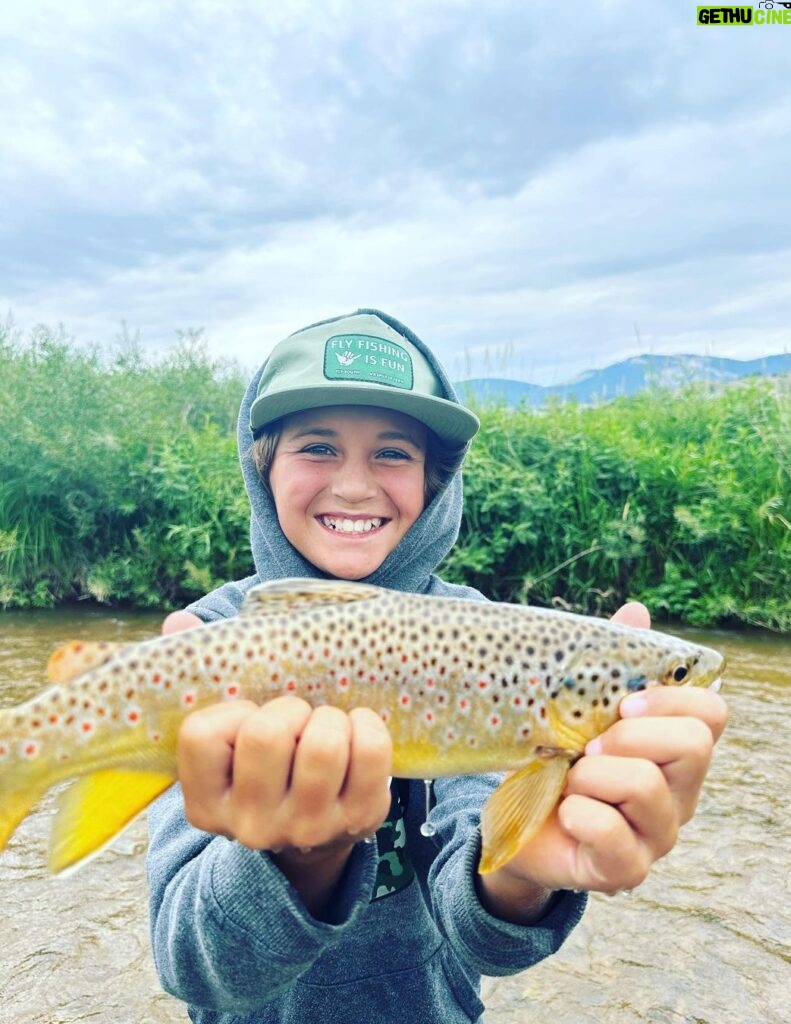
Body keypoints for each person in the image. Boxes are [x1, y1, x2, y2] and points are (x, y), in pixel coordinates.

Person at [147, 309, 727, 1024]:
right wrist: (298, 857)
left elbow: (486, 939)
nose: (355, 486)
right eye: (318, 447)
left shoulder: (489, 642)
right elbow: (191, 968)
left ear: (435, 481)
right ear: (261, 466)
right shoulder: (208, 643)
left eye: (392, 453)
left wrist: (518, 872)